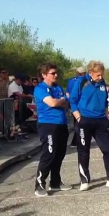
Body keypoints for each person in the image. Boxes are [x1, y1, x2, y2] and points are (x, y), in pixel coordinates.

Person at [69, 60, 109, 190]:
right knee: (84, 151)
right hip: (84, 120)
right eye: (98, 75)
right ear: (91, 72)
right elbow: (72, 100)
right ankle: (84, 180)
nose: (100, 78)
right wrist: (78, 117)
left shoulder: (102, 83)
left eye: (102, 75)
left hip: (100, 121)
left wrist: (106, 116)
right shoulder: (81, 82)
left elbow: (105, 101)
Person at [33, 63, 71, 197]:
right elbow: (52, 103)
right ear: (44, 75)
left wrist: (60, 100)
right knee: (48, 154)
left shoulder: (58, 88)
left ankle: (55, 182)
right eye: (52, 73)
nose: (56, 75)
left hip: (61, 124)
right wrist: (60, 100)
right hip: (48, 125)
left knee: (59, 154)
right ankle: (40, 184)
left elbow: (66, 104)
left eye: (56, 73)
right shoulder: (40, 88)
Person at [66, 67, 86, 147]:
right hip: (80, 104)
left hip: (73, 104)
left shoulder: (71, 81)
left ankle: (77, 141)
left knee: (76, 123)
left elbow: (67, 93)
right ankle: (78, 141)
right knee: (80, 123)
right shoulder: (83, 81)